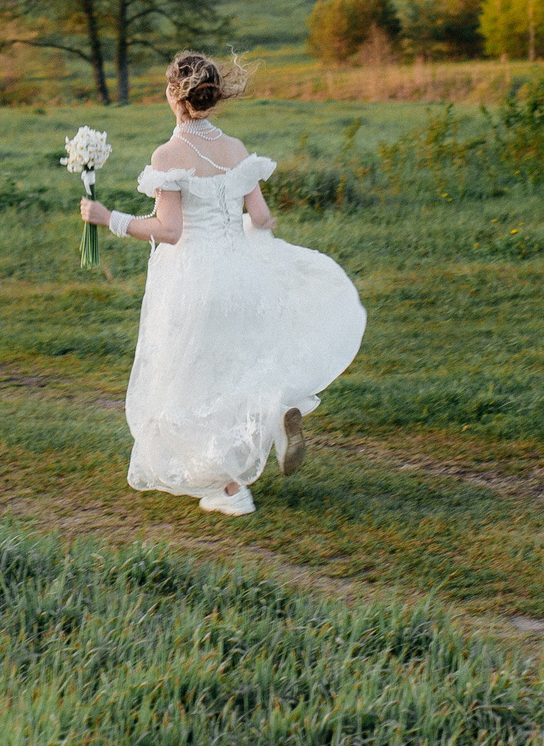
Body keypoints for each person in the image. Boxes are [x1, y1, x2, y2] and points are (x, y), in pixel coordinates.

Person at [78, 51, 365, 515]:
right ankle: (274, 414)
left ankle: (229, 489)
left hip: (195, 280)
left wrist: (110, 218)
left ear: (173, 93)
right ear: (215, 96)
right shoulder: (235, 149)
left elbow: (169, 231)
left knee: (191, 380)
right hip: (240, 276)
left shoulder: (167, 155)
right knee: (235, 367)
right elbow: (263, 217)